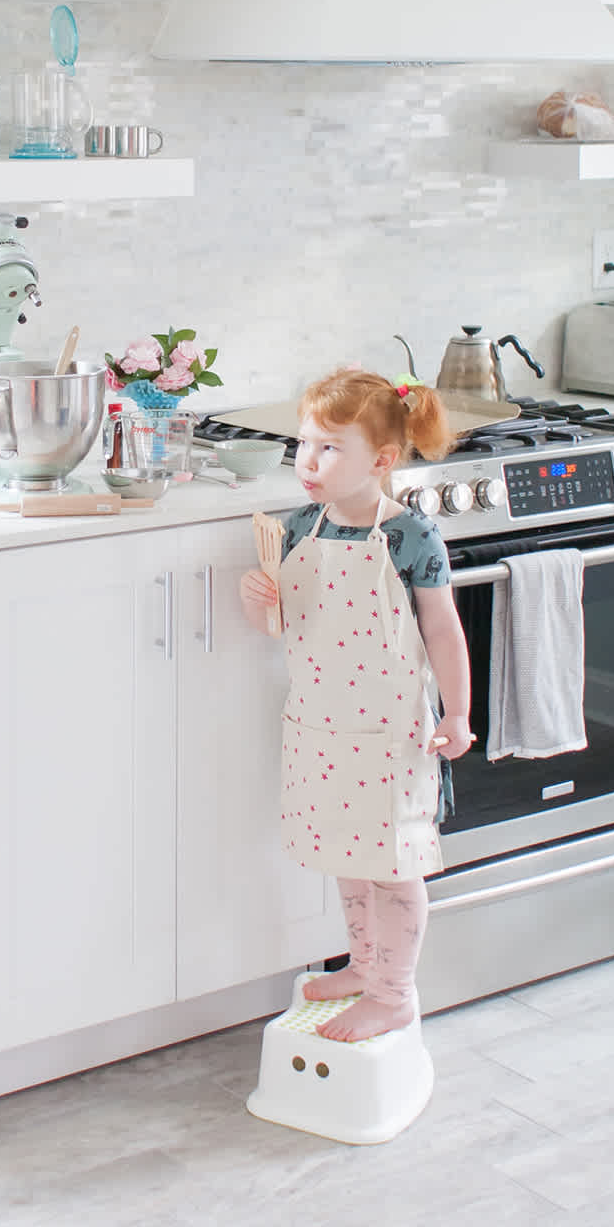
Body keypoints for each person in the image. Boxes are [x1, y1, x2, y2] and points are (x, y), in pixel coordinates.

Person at [239, 368, 472, 1045]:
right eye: (304, 443)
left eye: (330, 448)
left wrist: (456, 715)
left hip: (391, 736)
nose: (308, 461)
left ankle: (394, 994)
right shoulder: (297, 528)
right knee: (349, 855)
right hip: (321, 728)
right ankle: (364, 966)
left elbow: (443, 631)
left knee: (395, 869)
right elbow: (292, 623)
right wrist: (260, 607)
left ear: (382, 460)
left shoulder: (410, 537)